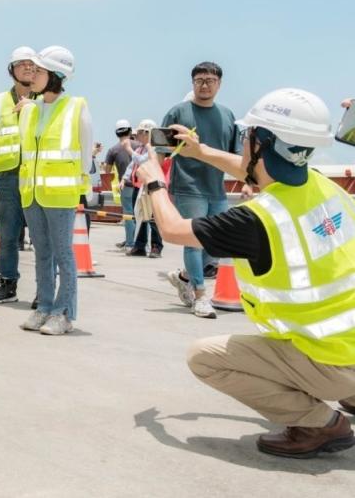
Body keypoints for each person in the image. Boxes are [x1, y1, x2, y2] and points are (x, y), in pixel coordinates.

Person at [135, 88, 355, 459]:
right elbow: (256, 170)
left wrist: (155, 179)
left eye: (248, 135)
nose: (244, 142)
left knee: (204, 357)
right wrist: (200, 151)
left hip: (328, 358)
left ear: (262, 142)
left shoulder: (258, 219)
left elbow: (173, 230)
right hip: (348, 345)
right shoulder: (322, 186)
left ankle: (321, 424)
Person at [18, 46, 93, 336]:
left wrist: (77, 185)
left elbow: (85, 154)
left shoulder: (76, 107)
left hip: (61, 194)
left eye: (37, 70)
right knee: (42, 253)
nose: (31, 75)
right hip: (32, 193)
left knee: (64, 254)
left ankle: (64, 313)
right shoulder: (29, 109)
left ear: (55, 76)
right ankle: (44, 307)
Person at [162, 61, 241, 319]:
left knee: (218, 242)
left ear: (219, 84)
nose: (205, 85)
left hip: (216, 188)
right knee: (194, 241)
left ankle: (184, 276)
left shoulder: (228, 116)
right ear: (192, 83)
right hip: (187, 186)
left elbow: (235, 154)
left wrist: (248, 181)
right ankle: (200, 295)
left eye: (210, 80)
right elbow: (159, 147)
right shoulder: (178, 112)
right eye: (199, 80)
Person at [0, 46, 37, 305]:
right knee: (6, 235)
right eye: (22, 64)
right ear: (12, 70)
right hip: (6, 177)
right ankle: (7, 284)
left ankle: (44, 289)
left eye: (32, 64)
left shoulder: (46, 100)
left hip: (37, 177)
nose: (28, 67)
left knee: (41, 237)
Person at [125, 119, 164, 258]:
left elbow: (142, 160)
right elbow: (132, 165)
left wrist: (129, 149)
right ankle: (140, 246)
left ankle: (156, 246)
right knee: (139, 216)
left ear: (148, 133)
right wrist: (125, 179)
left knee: (153, 218)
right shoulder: (140, 148)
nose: (137, 135)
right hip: (139, 187)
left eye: (140, 132)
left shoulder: (154, 149)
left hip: (151, 187)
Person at [103, 120, 138, 250]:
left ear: (116, 133)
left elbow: (107, 171)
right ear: (130, 131)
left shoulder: (113, 150)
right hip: (141, 185)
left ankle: (130, 243)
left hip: (126, 185)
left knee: (128, 214)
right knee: (142, 214)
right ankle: (140, 242)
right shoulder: (139, 145)